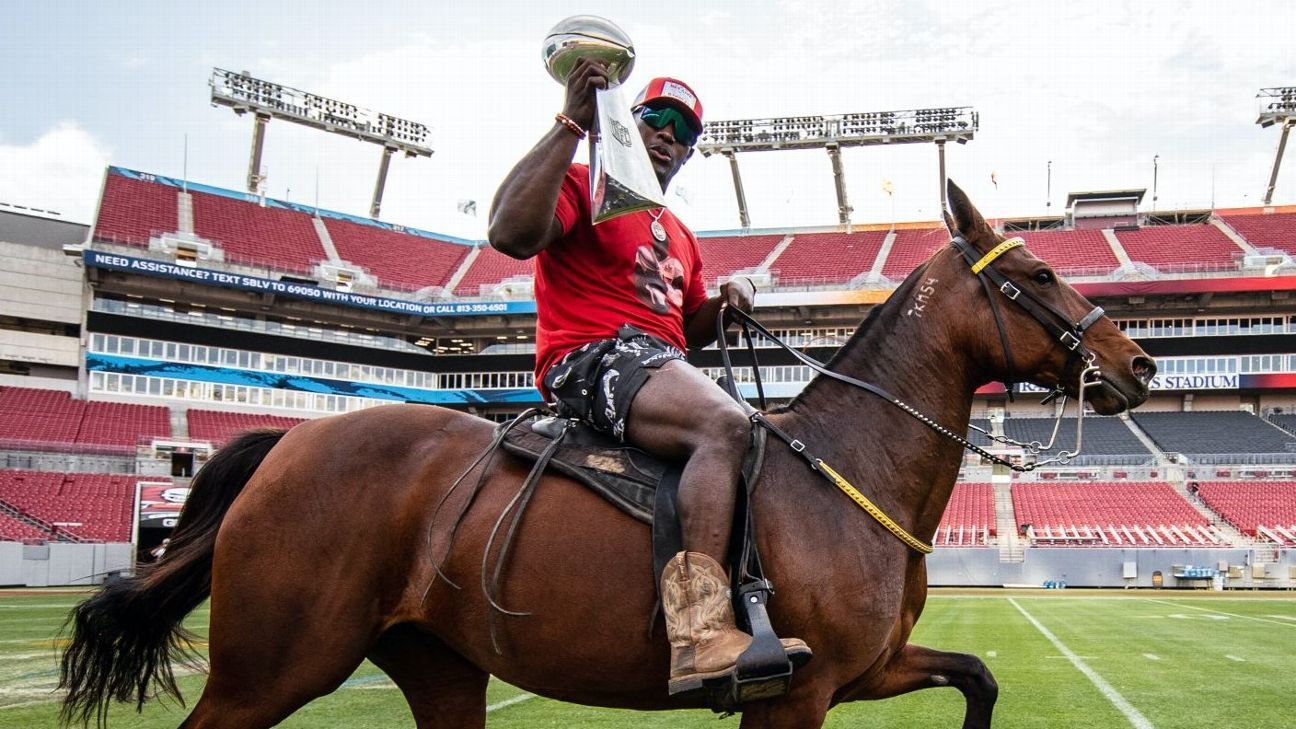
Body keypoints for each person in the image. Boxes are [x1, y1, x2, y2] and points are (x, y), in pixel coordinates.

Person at [488, 59, 809, 696]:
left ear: (689, 152)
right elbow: (510, 233)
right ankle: (699, 632)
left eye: (682, 131)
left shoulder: (680, 236)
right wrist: (569, 125)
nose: (667, 135)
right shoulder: (582, 182)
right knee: (723, 423)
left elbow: (686, 328)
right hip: (590, 358)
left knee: (757, 437)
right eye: (654, 119)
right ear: (627, 127)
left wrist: (729, 303)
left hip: (657, 362)